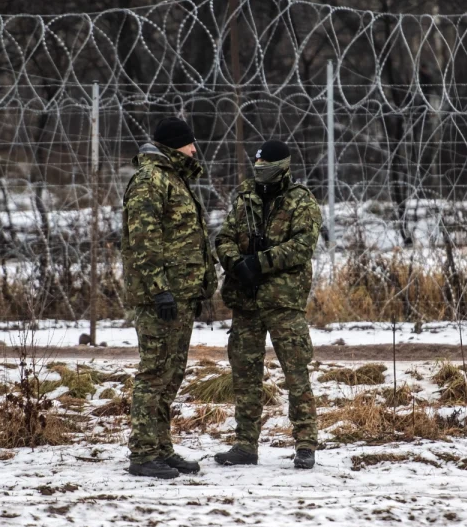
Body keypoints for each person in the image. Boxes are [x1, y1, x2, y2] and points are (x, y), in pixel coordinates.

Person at [213, 139, 320, 470]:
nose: (260, 172)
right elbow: (224, 237)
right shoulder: (245, 197)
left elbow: (302, 246)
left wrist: (260, 262)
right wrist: (236, 263)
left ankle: (305, 443)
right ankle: (245, 443)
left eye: (266, 166)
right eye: (257, 165)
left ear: (283, 166)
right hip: (246, 299)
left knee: (296, 372)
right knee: (244, 374)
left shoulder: (301, 201)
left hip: (283, 301)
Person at [121, 117, 217, 479]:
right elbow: (143, 242)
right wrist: (160, 289)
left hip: (180, 294)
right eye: (190, 143)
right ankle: (143, 453)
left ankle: (161, 448)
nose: (195, 149)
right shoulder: (151, 181)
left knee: (170, 374)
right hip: (160, 297)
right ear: (176, 145)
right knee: (155, 373)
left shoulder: (174, 179)